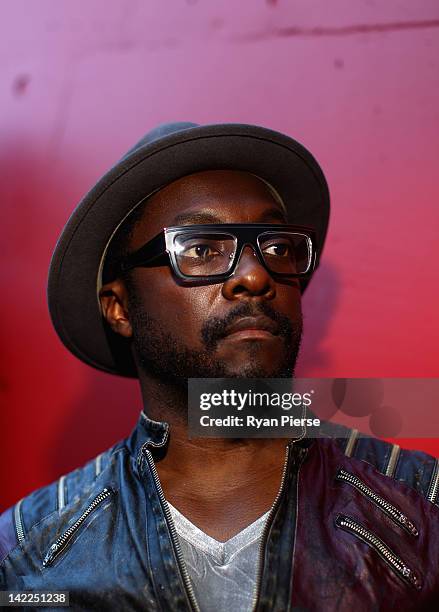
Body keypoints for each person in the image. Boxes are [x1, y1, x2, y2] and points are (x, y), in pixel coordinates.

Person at [1, 122, 438, 611]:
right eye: (201, 249)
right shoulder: (27, 557)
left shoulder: (422, 507)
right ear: (120, 308)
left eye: (276, 248)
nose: (254, 275)